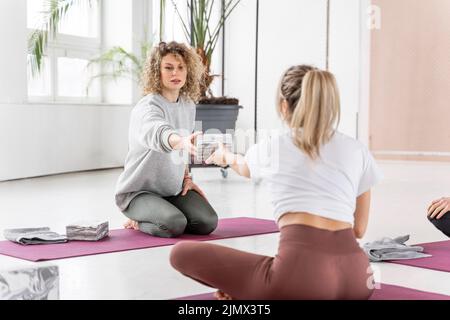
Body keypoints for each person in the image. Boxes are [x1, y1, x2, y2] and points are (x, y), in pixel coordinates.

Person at [169, 65, 383, 300]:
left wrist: (225, 157)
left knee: (180, 253)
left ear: (284, 106)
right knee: (288, 269)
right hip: (359, 280)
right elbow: (359, 229)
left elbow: (244, 167)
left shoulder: (274, 147)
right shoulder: (357, 149)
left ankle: (256, 288)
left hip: (300, 282)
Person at [115, 41, 218, 238]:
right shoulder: (147, 107)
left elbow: (184, 150)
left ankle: (162, 211)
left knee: (207, 223)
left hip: (172, 190)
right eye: (168, 68)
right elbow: (157, 131)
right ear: (157, 72)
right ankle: (138, 219)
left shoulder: (188, 105)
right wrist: (179, 141)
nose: (175, 73)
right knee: (174, 224)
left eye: (180, 68)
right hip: (138, 193)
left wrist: (187, 177)